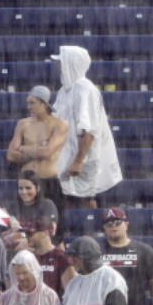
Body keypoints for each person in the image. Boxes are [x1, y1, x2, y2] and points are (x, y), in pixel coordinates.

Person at [51, 45, 121, 208]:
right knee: (68, 198)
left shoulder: (85, 89)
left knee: (84, 197)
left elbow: (89, 130)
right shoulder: (64, 90)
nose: (58, 66)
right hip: (65, 155)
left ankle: (91, 228)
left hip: (82, 156)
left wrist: (79, 161)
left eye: (61, 62)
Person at [7, 87, 68, 215]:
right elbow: (11, 155)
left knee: (51, 227)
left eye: (32, 103)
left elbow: (47, 152)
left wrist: (24, 148)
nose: (28, 107)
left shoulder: (59, 124)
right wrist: (39, 151)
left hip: (49, 181)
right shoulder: (23, 124)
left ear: (44, 104)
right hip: (26, 181)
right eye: (28, 103)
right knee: (23, 223)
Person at [10, 171, 60, 244]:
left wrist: (19, 235)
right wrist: (12, 228)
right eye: (20, 188)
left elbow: (48, 233)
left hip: (42, 248)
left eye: (28, 188)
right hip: (17, 246)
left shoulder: (47, 205)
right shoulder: (14, 206)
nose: (24, 192)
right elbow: (4, 235)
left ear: (37, 188)